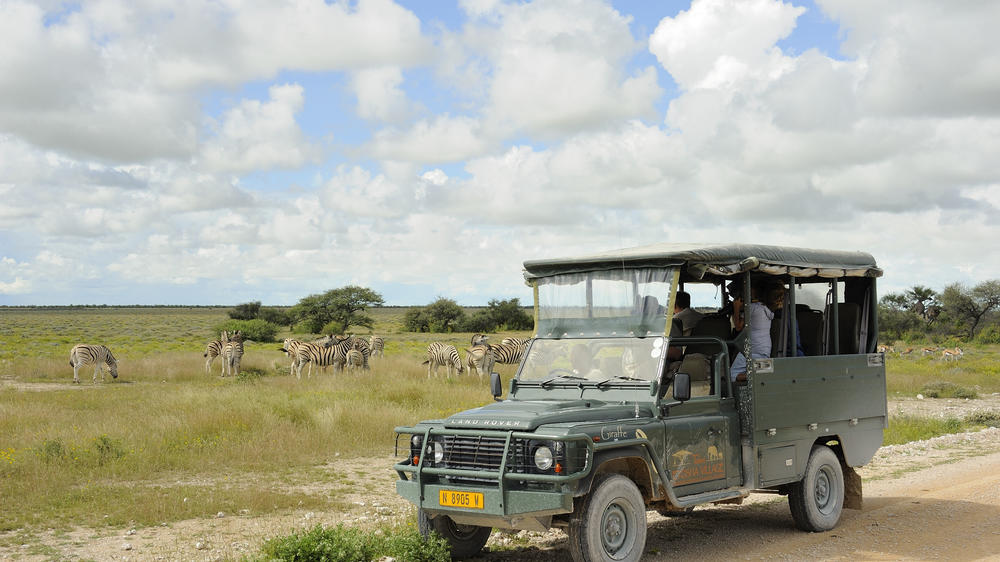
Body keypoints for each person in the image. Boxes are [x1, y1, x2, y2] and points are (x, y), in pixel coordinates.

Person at [728, 279, 774, 382]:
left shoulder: (752, 308)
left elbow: (738, 327)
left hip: (753, 350)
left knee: (731, 375)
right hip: (765, 349)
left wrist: (736, 308)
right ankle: (764, 370)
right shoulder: (767, 308)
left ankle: (763, 372)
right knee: (752, 367)